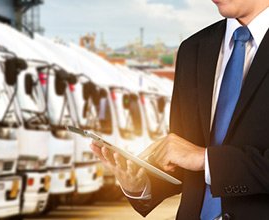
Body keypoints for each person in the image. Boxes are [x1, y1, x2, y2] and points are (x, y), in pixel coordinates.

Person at [90, 0, 269, 219]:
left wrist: (205, 159)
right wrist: (141, 184)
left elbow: (196, 158)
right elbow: (181, 158)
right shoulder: (193, 49)